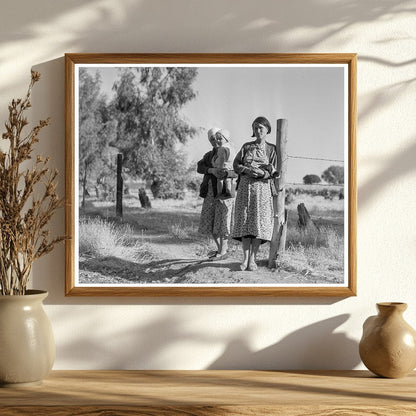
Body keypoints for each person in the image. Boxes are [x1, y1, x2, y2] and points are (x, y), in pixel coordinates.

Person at [232, 116, 278, 271]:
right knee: (245, 222)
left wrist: (262, 173)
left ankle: (253, 260)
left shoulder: (272, 149)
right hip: (245, 188)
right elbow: (236, 164)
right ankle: (244, 260)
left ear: (267, 130)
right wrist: (247, 170)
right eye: (255, 128)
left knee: (258, 223)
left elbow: (274, 171)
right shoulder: (246, 146)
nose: (258, 131)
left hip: (262, 190)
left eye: (261, 128)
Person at [197, 127, 237, 259]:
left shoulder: (228, 151)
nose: (215, 141)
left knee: (222, 220)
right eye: (212, 139)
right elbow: (200, 167)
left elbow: (235, 171)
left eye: (217, 138)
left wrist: (224, 173)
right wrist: (211, 170)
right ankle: (220, 250)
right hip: (210, 191)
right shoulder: (209, 155)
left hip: (224, 191)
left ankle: (222, 251)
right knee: (211, 221)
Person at [212, 129, 236, 199]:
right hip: (229, 168)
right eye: (217, 139)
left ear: (226, 139)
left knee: (219, 180)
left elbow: (222, 158)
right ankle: (228, 191)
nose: (218, 141)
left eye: (220, 139)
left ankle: (219, 193)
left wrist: (220, 167)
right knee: (228, 179)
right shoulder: (231, 147)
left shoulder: (222, 148)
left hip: (222, 167)